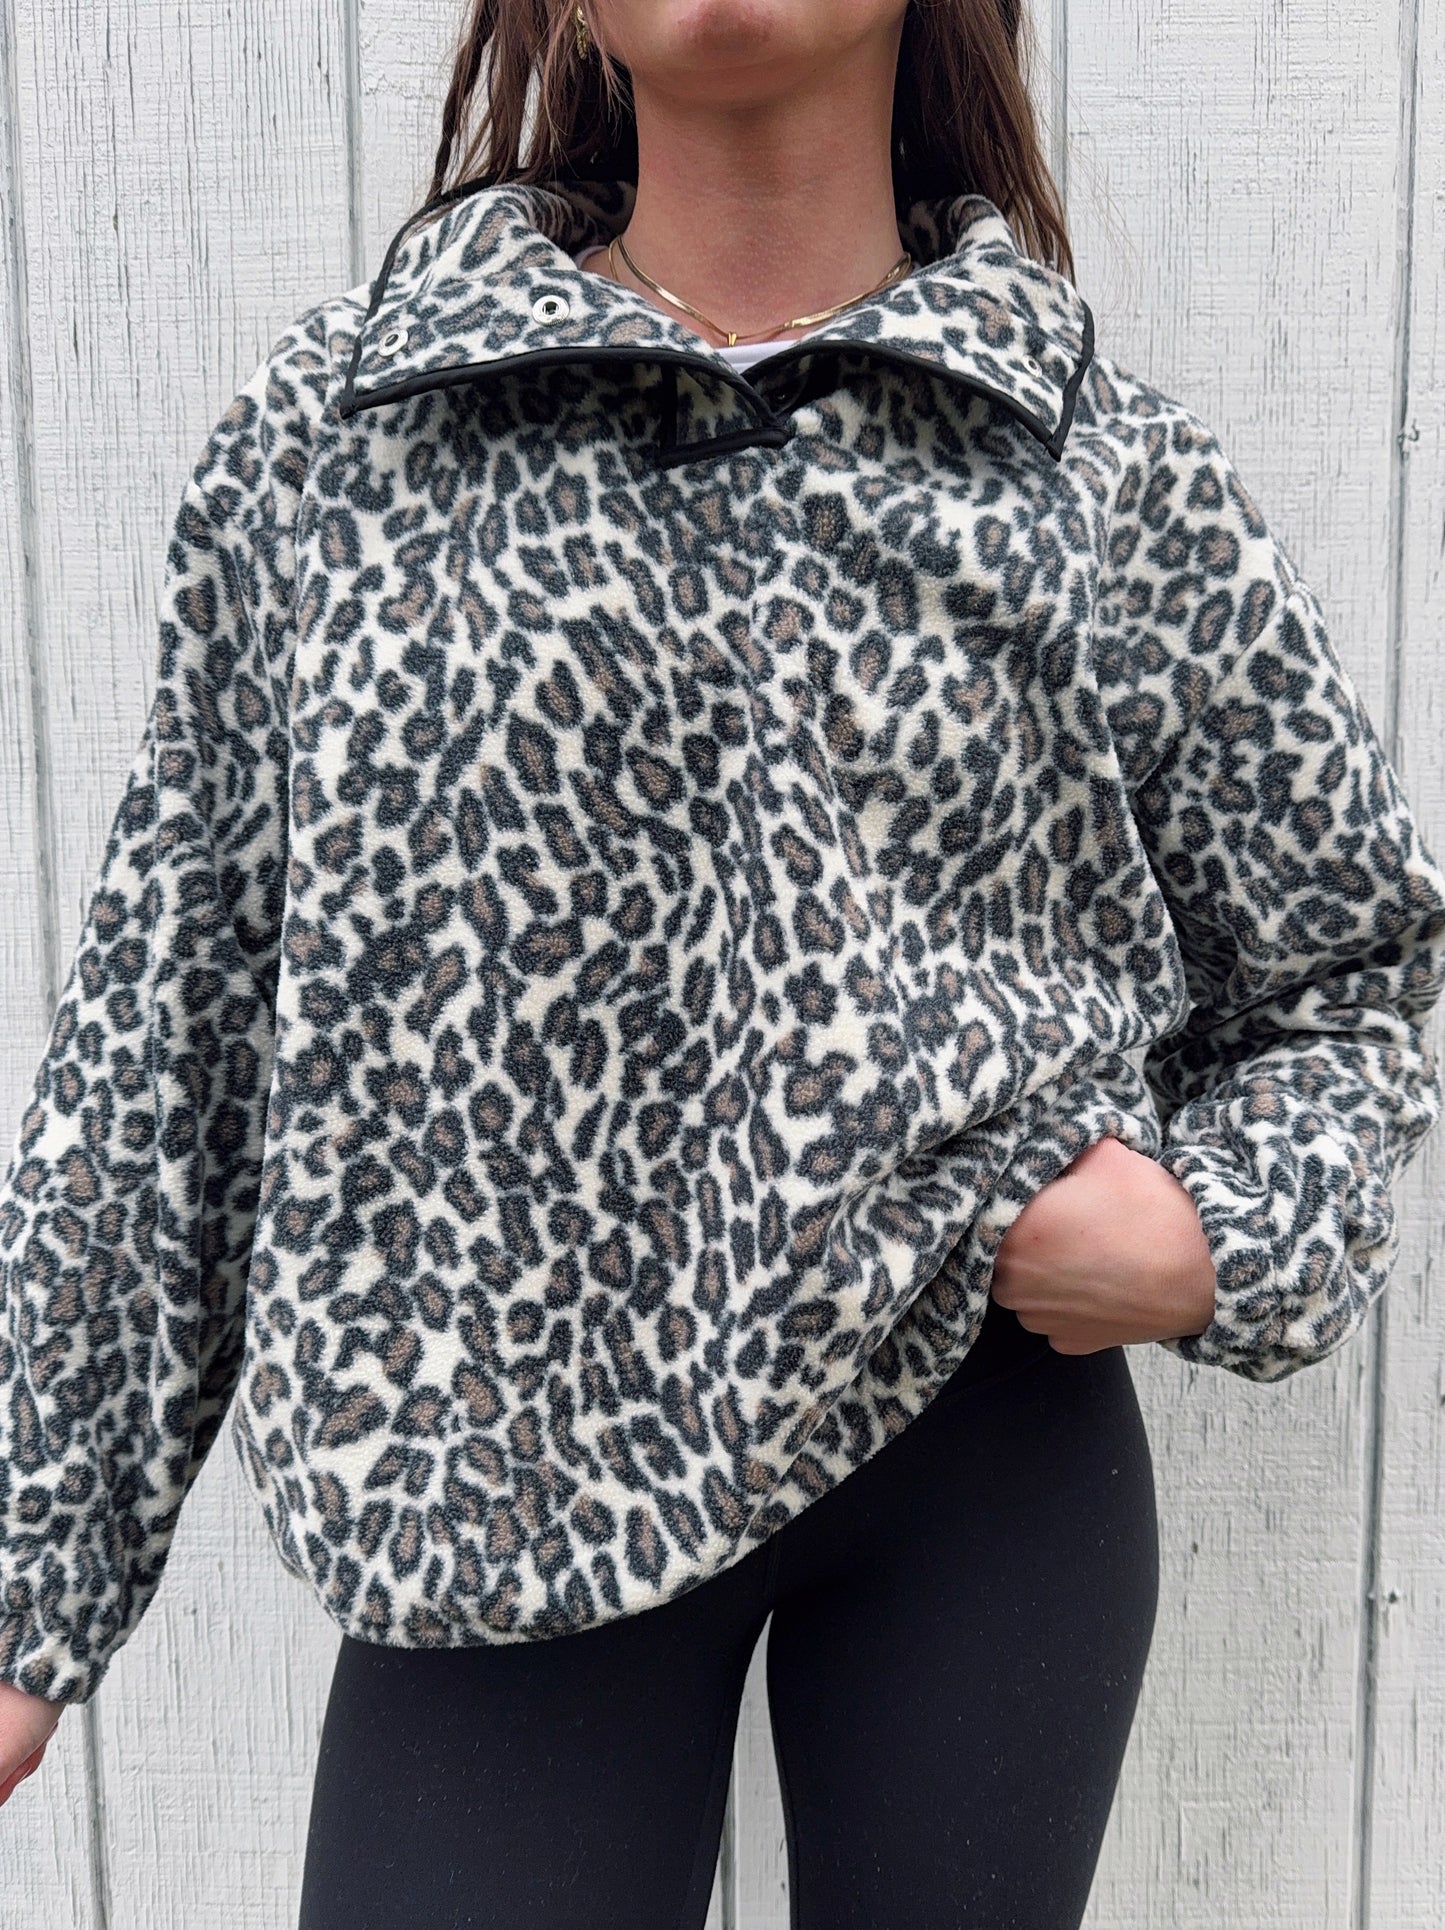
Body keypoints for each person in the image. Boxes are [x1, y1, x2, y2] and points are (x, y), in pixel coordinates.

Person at [3, 1, 1444, 1924]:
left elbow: (1350, 973)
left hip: (974, 1452)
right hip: (486, 1474)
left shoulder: (1094, 471)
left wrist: (1219, 1225)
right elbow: (167, 1034)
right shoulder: (345, 445)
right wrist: (28, 1581)